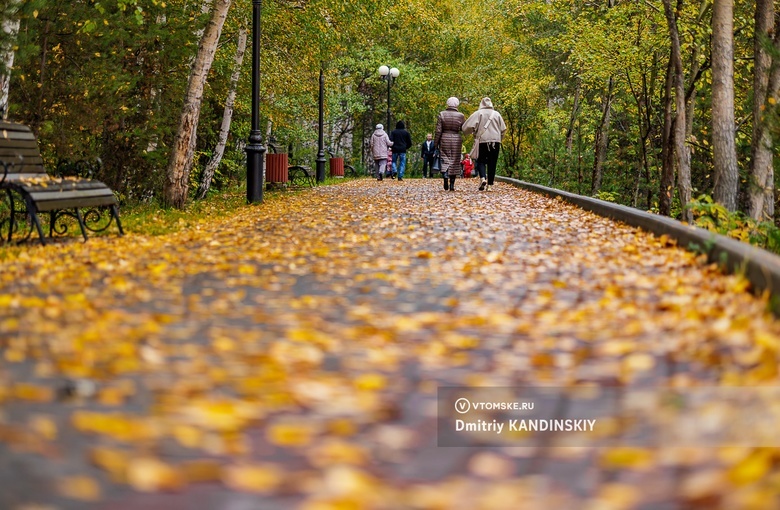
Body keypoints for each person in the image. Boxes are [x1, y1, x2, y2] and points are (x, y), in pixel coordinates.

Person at [462, 97, 507, 192]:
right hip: (495, 142)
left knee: (480, 161)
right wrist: (499, 138)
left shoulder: (478, 113)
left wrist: (470, 132)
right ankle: (490, 185)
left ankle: (483, 178)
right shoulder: (497, 114)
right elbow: (503, 129)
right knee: (492, 163)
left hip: (482, 141)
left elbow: (467, 126)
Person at [434, 97, 465, 191]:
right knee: (455, 161)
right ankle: (452, 184)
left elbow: (438, 130)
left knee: (444, 159)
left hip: (444, 138)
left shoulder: (442, 114)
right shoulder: (461, 116)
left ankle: (445, 177)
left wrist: (435, 143)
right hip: (456, 139)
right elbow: (463, 128)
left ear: (447, 103)